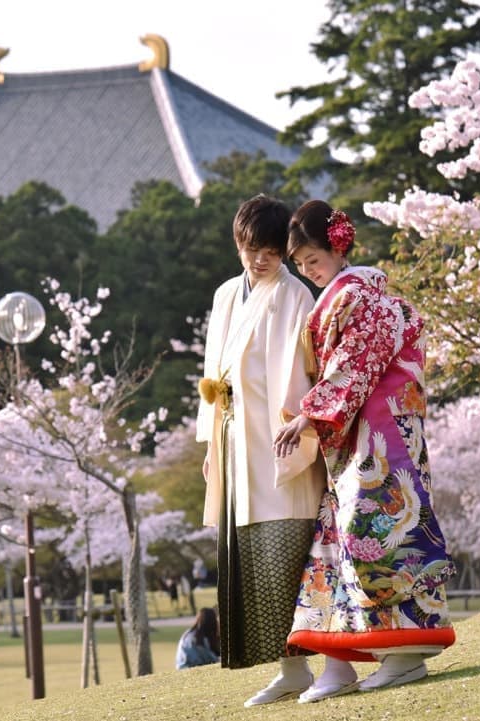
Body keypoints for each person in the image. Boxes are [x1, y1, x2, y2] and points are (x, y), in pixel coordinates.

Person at [274, 200, 456, 702]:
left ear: (338, 247)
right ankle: (364, 656)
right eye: (302, 265)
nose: (309, 272)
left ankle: (406, 651)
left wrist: (312, 413)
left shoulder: (366, 300)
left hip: (383, 436)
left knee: (378, 532)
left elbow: (355, 364)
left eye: (314, 260)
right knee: (352, 538)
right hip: (362, 435)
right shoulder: (343, 299)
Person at [195, 194, 326, 706]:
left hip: (276, 440)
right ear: (239, 246)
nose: (261, 259)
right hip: (235, 443)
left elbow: (299, 370)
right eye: (252, 248)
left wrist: (298, 426)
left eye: (271, 250)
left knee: (289, 553)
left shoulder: (294, 295)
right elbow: (213, 372)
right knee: (250, 558)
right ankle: (288, 668)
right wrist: (210, 441)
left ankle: (316, 662)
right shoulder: (228, 294)